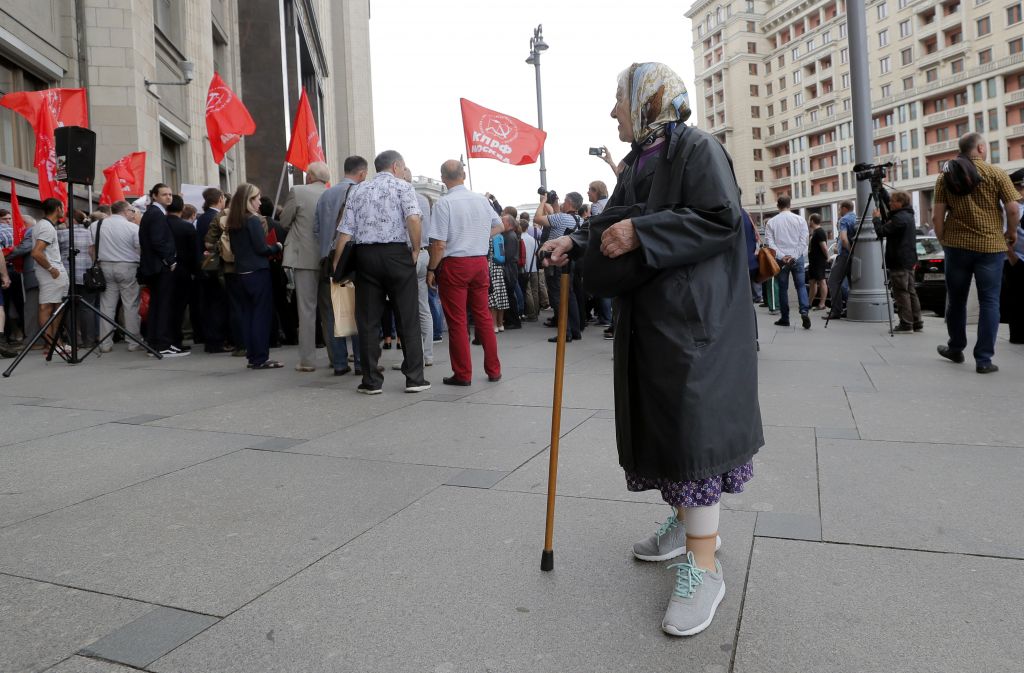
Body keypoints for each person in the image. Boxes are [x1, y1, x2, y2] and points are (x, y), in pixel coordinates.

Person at [541, 62, 762, 637]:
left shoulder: (696, 148)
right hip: (656, 319)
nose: (613, 110)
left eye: (619, 98)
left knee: (693, 435)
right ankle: (685, 521)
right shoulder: (642, 158)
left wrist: (643, 233)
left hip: (694, 322)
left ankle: (704, 565)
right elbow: (618, 218)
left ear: (647, 99)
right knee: (668, 427)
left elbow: (720, 219)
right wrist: (578, 238)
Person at [331, 150, 430, 394]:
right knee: (407, 316)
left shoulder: (358, 189)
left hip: (366, 257)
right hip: (397, 254)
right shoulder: (403, 187)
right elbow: (414, 219)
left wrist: (337, 263)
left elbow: (345, 230)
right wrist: (416, 249)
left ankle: (371, 381)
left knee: (367, 320)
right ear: (396, 166)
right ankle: (415, 378)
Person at [933, 133, 1020, 373]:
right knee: (990, 301)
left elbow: (936, 216)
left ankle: (955, 347)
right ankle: (984, 360)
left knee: (957, 300)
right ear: (981, 148)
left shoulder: (945, 177)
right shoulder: (996, 173)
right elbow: (1013, 209)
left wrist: (943, 240)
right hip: (990, 248)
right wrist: (1011, 233)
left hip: (957, 247)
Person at [426, 159, 503, 386]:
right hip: (479, 262)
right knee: (483, 316)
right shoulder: (481, 200)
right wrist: (479, 237)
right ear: (464, 176)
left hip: (455, 263)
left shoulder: (444, 203)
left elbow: (439, 244)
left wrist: (432, 269)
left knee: (458, 320)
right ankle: (494, 369)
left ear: (443, 178)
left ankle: (463, 373)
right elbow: (499, 225)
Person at [314, 155, 367, 375]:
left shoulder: (326, 195)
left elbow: (316, 230)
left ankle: (339, 363)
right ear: (362, 173)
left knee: (331, 311)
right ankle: (362, 363)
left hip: (327, 258)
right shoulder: (360, 192)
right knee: (359, 309)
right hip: (353, 258)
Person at [226, 183, 284, 369]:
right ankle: (260, 357)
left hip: (241, 272)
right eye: (257, 198)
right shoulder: (252, 220)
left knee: (249, 315)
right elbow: (261, 248)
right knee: (261, 315)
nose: (260, 201)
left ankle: (253, 356)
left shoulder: (234, 221)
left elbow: (235, 249)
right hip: (258, 272)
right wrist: (277, 247)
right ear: (248, 200)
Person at [280, 161, 330, 372]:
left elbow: (283, 221)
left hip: (304, 259)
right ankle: (337, 357)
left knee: (307, 311)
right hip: (329, 259)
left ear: (309, 176)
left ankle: (308, 360)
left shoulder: (298, 191)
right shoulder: (332, 194)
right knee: (330, 310)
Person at [138, 183, 185, 357]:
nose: (169, 197)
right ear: (155, 196)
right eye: (164, 194)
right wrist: (170, 261)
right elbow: (158, 241)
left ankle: (156, 343)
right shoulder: (156, 214)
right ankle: (162, 344)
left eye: (170, 194)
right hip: (160, 267)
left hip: (154, 267)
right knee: (163, 306)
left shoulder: (153, 213)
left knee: (157, 306)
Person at [90, 200, 142, 353]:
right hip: (128, 266)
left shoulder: (96, 226)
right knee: (130, 304)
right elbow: (140, 249)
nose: (133, 213)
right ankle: (134, 341)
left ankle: (105, 343)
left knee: (107, 305)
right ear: (125, 211)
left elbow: (91, 250)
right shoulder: (133, 227)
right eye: (132, 210)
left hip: (104, 266)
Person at [534, 191, 584, 342]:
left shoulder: (561, 218)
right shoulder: (580, 220)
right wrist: (554, 204)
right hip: (572, 260)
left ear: (568, 203)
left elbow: (537, 218)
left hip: (556, 260)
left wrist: (542, 201)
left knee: (557, 296)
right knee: (570, 295)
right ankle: (575, 330)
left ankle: (565, 332)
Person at [873, 191, 923, 333]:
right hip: (909, 260)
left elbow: (881, 232)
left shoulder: (899, 219)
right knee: (910, 291)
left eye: (892, 201)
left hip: (899, 260)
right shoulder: (907, 214)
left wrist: (876, 219)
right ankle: (917, 322)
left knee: (901, 293)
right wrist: (881, 190)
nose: (889, 203)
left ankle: (906, 324)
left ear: (900, 203)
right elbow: (889, 203)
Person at [765, 194, 811, 329]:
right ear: (790, 204)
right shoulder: (800, 220)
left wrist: (781, 256)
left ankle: (785, 318)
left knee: (783, 288)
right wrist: (794, 256)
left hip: (780, 260)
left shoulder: (771, 222)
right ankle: (804, 311)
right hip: (797, 258)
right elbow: (804, 241)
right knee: (801, 286)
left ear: (778, 206)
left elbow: (769, 242)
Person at [30, 198, 70, 350]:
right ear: (58, 208)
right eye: (63, 207)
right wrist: (51, 269)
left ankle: (54, 343)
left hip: (49, 271)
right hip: (51, 272)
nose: (64, 210)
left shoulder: (43, 225)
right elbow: (36, 253)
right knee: (49, 307)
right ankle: (54, 344)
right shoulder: (47, 227)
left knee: (54, 306)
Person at [196, 188, 229, 353]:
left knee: (209, 305)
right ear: (220, 199)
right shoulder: (216, 217)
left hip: (206, 266)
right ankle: (216, 341)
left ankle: (212, 340)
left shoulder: (202, 217)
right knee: (217, 305)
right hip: (215, 265)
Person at [166, 195, 198, 351]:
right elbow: (194, 253)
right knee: (179, 308)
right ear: (181, 208)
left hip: (164, 271)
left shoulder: (161, 224)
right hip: (183, 272)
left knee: (165, 307)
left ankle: (166, 338)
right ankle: (175, 340)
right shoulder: (187, 227)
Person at [1002, 168, 1024, 344]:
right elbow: (1002, 234)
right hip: (1016, 260)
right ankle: (1017, 335)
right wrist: (1011, 257)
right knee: (1016, 299)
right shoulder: (1009, 208)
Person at [825, 199, 856, 320]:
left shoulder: (844, 220)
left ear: (844, 208)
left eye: (839, 208)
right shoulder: (856, 218)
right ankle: (849, 309)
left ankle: (836, 311)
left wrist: (848, 250)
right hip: (855, 257)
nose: (838, 211)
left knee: (833, 282)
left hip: (844, 256)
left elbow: (843, 239)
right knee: (852, 284)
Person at [488, 221, 509, 332]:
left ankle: (494, 325)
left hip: (490, 267)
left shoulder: (489, 237)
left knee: (492, 299)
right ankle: (501, 324)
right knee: (501, 297)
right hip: (499, 268)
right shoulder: (500, 236)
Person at [806, 213, 829, 311]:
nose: (808, 222)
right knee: (812, 282)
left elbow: (824, 247)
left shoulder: (820, 232)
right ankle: (809, 303)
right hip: (813, 262)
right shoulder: (815, 232)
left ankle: (822, 304)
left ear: (812, 221)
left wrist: (827, 257)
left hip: (819, 261)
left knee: (822, 281)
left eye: (808, 220)